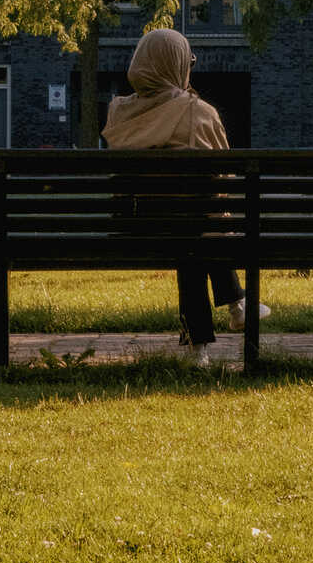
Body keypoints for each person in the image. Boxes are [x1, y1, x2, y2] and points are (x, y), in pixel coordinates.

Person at [102, 27, 269, 365]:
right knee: (200, 223)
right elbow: (225, 177)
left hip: (133, 231)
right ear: (177, 64)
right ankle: (234, 307)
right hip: (193, 229)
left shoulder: (117, 112)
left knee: (189, 227)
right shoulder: (199, 112)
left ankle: (206, 338)